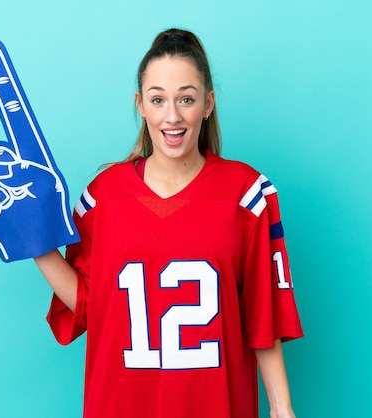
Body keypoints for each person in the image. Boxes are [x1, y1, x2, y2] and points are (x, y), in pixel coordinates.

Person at [34, 28, 303, 418]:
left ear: (208, 104)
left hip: (214, 405)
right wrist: (35, 242)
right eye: (158, 99)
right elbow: (92, 305)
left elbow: (262, 315)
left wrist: (282, 409)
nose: (172, 116)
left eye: (186, 99)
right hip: (121, 404)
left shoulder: (247, 195)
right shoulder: (102, 197)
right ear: (140, 104)